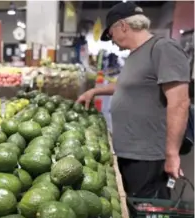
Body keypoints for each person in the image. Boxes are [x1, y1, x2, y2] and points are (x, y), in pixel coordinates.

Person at [78, 2, 190, 199]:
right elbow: (129, 86)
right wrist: (95, 91)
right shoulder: (135, 54)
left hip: (148, 157)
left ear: (122, 26)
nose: (111, 41)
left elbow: (179, 102)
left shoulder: (163, 49)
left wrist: (172, 154)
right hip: (130, 152)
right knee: (132, 208)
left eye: (110, 34)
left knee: (147, 216)